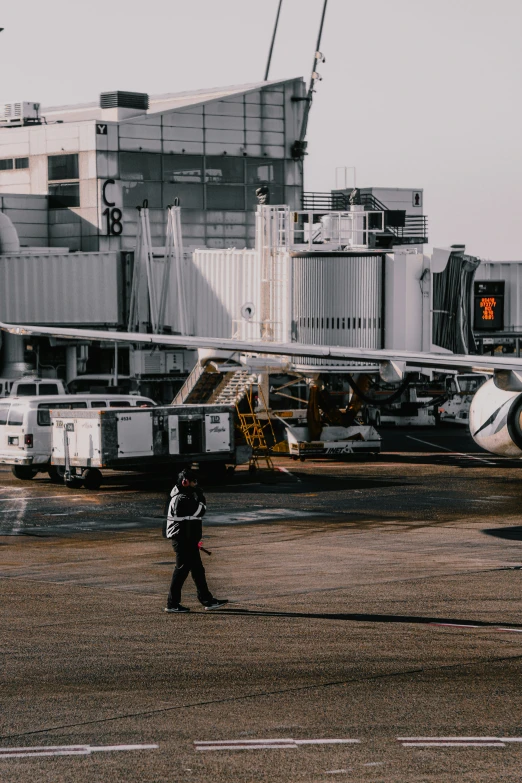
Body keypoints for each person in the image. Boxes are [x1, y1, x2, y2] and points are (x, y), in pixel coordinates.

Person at [163, 468, 228, 613]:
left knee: (198, 570)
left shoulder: (184, 496)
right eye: (193, 482)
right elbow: (200, 511)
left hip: (188, 540)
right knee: (181, 571)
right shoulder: (181, 498)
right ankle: (172, 603)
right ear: (185, 482)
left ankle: (207, 600)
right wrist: (201, 496)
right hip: (182, 541)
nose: (195, 484)